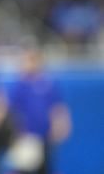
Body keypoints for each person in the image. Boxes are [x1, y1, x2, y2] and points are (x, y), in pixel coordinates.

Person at [8, 43, 71, 174]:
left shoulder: (48, 84)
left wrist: (61, 124)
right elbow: (13, 111)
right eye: (26, 60)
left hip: (45, 136)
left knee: (45, 167)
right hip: (27, 137)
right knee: (24, 167)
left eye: (32, 59)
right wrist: (17, 132)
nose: (29, 64)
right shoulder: (19, 85)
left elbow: (57, 108)